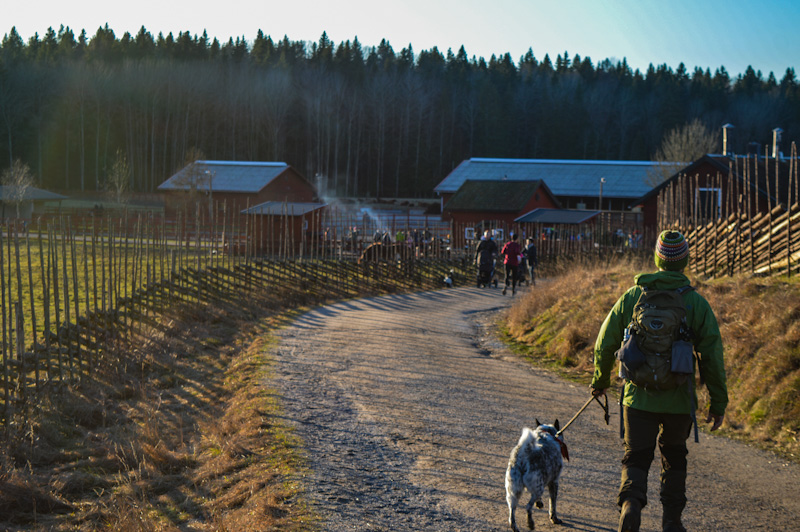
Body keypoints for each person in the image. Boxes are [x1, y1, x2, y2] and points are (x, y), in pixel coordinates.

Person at [590, 230, 728, 532]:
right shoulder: (696, 304)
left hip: (637, 397)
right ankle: (672, 521)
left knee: (636, 456)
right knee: (675, 456)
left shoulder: (633, 296)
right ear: (686, 260)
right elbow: (712, 357)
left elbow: (606, 339)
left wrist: (599, 379)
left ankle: (631, 504)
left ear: (656, 258)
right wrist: (718, 402)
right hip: (678, 399)